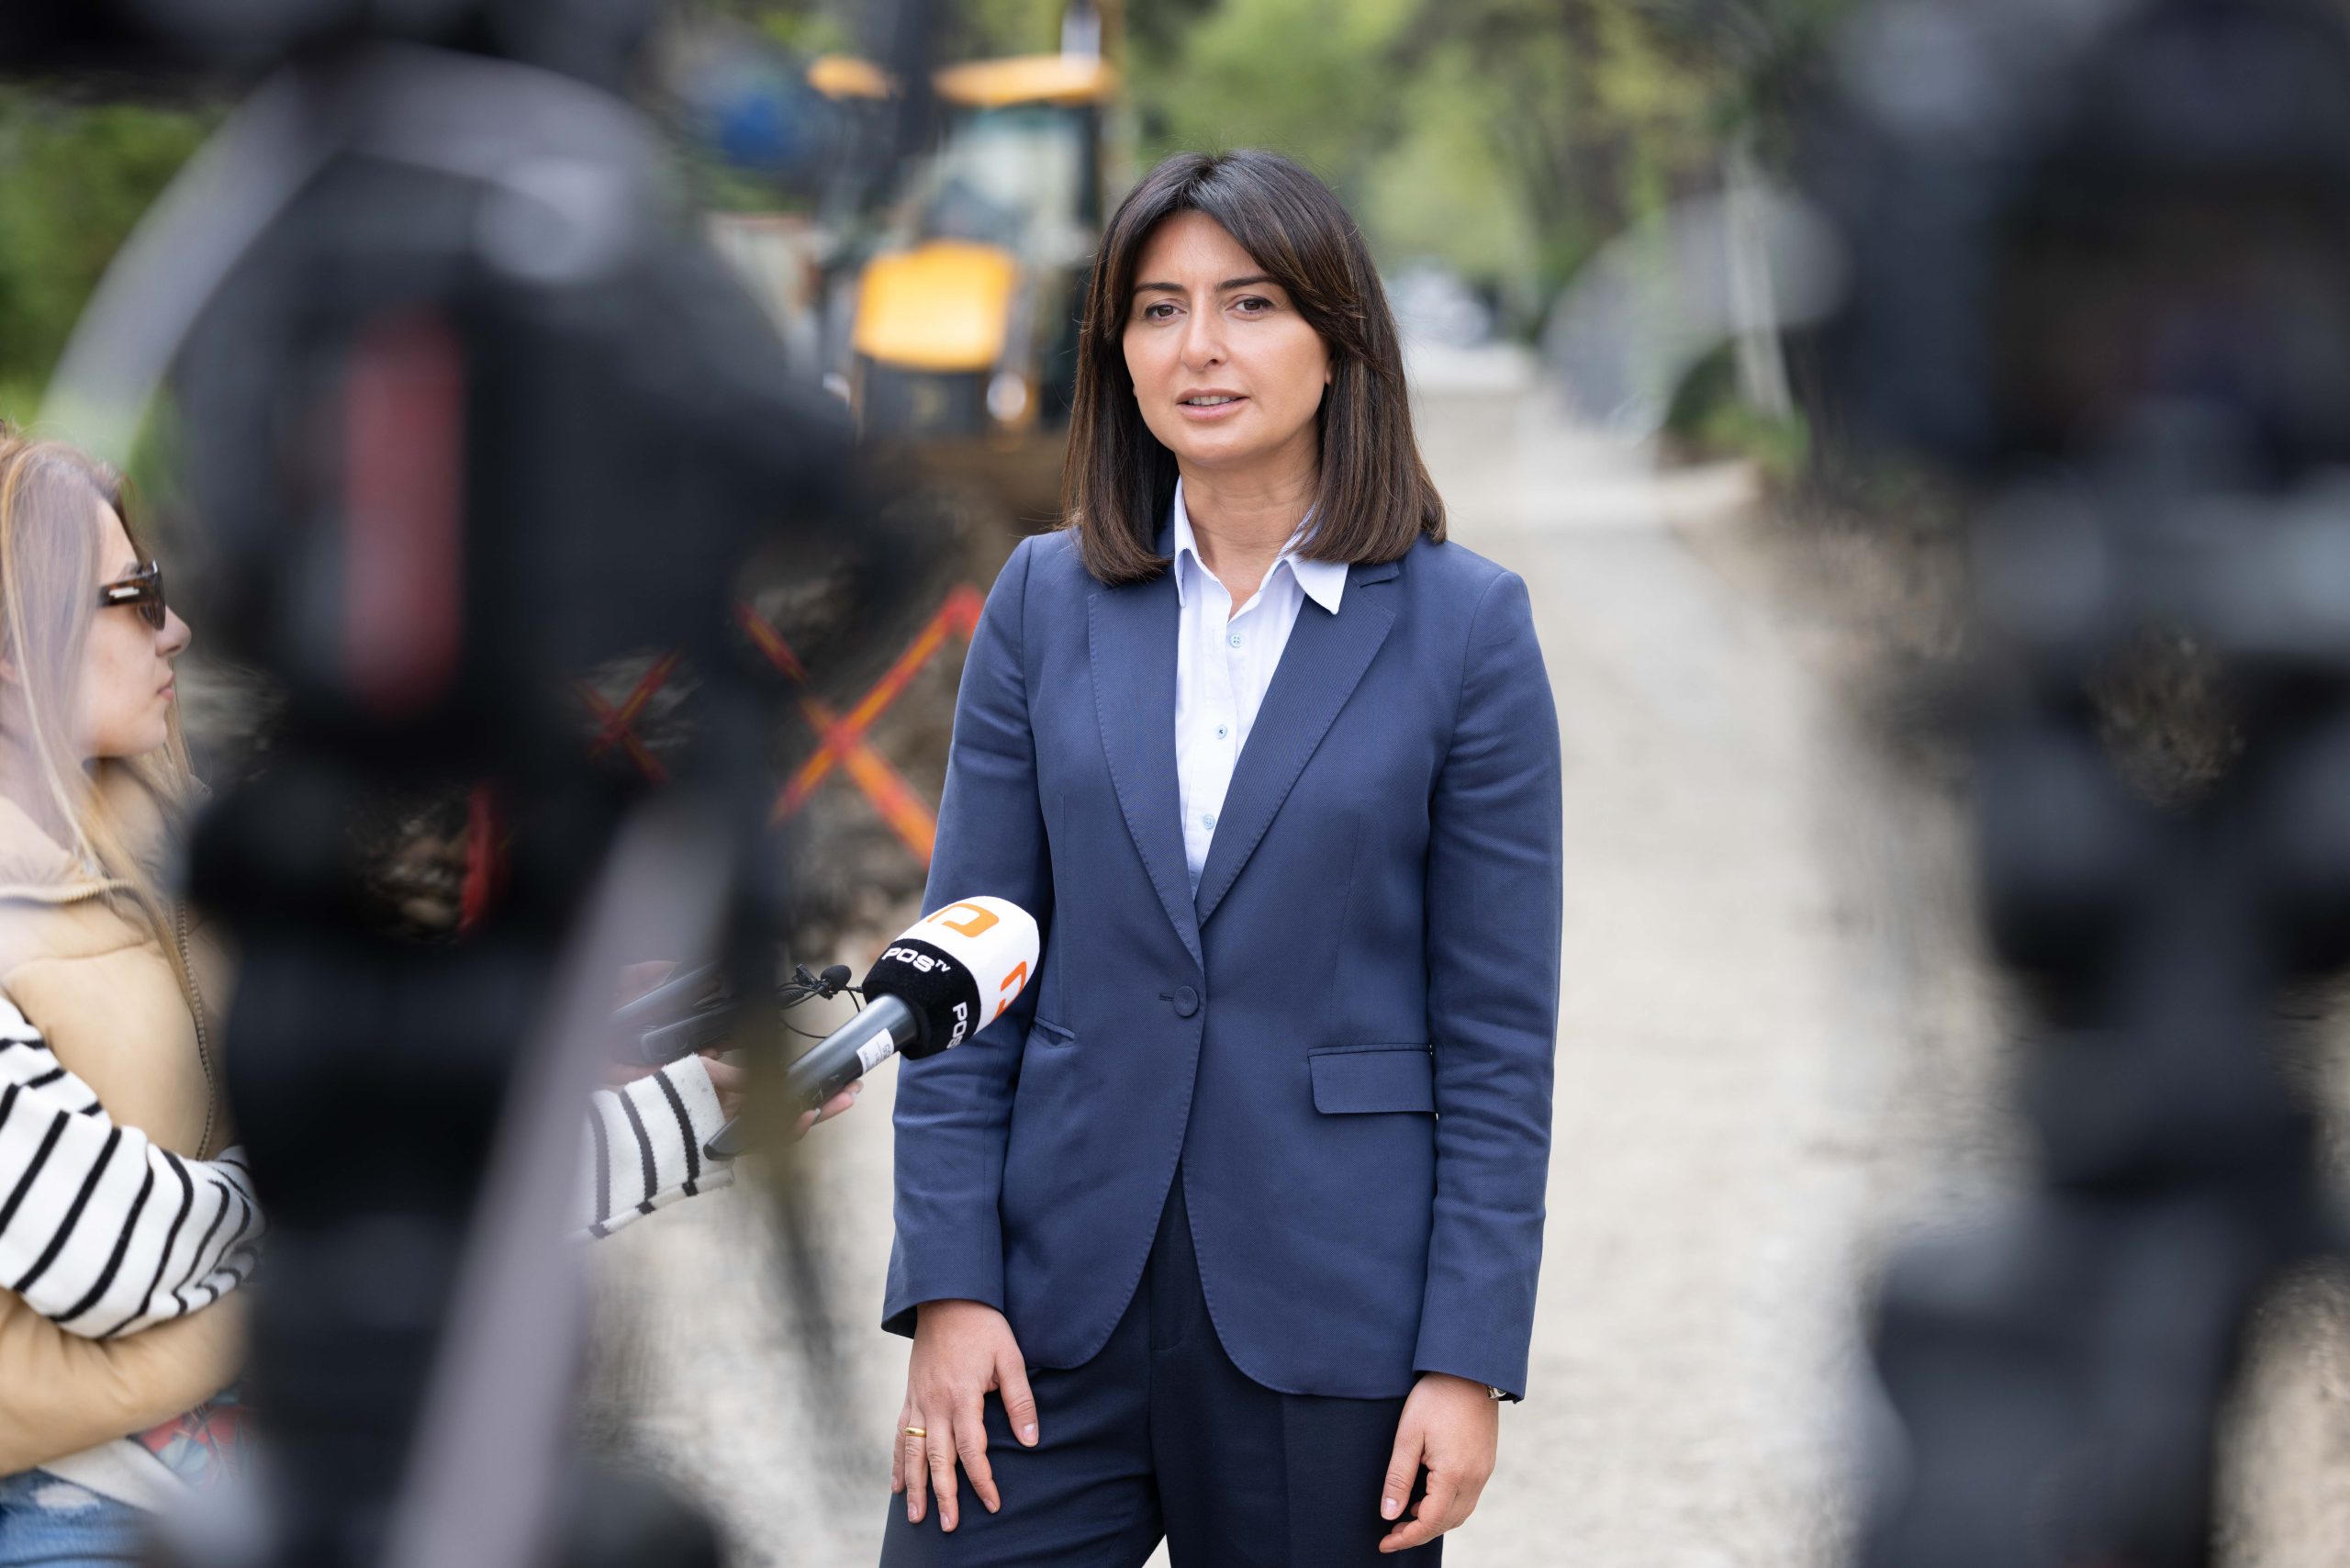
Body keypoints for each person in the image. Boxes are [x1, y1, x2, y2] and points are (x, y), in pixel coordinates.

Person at [0, 427, 853, 1562]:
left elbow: (366, 1143)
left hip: (270, 1477)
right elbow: (117, 1253)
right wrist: (365, 1187)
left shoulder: (163, 843)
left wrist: (634, 1089)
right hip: (72, 1520)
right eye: (137, 595)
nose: (178, 628)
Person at [883, 150, 1563, 1566]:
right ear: (1116, 352)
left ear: (1339, 340)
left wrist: (1467, 1356)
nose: (1198, 346)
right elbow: (962, 969)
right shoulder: (1042, 602)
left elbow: (1498, 1036)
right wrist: (947, 1287)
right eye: (1158, 309)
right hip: (1048, 1300)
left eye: (1250, 304)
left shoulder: (1468, 631)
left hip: (1331, 1314)